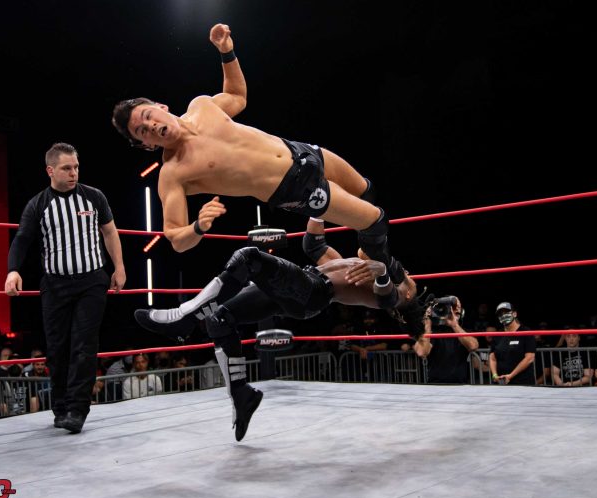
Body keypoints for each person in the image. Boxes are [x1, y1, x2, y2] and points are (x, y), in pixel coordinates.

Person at [111, 23, 405, 286]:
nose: (151, 126)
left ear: (160, 107)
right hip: (295, 189)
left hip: (299, 151)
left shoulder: (201, 105)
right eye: (142, 131)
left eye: (148, 116)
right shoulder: (173, 172)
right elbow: (175, 238)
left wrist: (227, 52)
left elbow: (237, 96)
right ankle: (392, 281)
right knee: (375, 221)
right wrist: (198, 226)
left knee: (366, 190)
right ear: (147, 144)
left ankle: (372, 258)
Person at [133, 219, 428, 441]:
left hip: (312, 292)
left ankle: (184, 318)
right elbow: (313, 245)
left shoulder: (395, 293)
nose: (408, 273)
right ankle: (241, 395)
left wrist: (382, 271)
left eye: (408, 278)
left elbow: (387, 296)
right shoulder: (355, 265)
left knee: (249, 257)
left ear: (407, 296)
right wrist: (319, 203)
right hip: (300, 289)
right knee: (219, 319)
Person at [5, 142, 126, 434]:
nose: (74, 173)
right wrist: (13, 270)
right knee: (57, 348)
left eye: (76, 167)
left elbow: (110, 231)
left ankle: (77, 409)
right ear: (50, 170)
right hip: (55, 284)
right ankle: (60, 408)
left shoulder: (94, 197)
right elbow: (22, 239)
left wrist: (119, 267)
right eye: (66, 168)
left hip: (91, 281)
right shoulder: (38, 204)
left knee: (84, 345)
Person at [413, 296, 479, 384]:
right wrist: (427, 324)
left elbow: (473, 346)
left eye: (458, 309)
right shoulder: (434, 332)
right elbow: (421, 352)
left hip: (460, 385)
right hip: (435, 384)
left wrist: (455, 325)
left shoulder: (464, 331)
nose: (455, 311)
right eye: (453, 308)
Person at [489, 302, 536, 386]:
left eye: (506, 312)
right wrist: (495, 375)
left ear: (514, 314)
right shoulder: (497, 335)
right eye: (500, 314)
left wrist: (510, 376)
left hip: (522, 383)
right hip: (501, 383)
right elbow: (492, 358)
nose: (503, 315)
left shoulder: (526, 332)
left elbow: (529, 358)